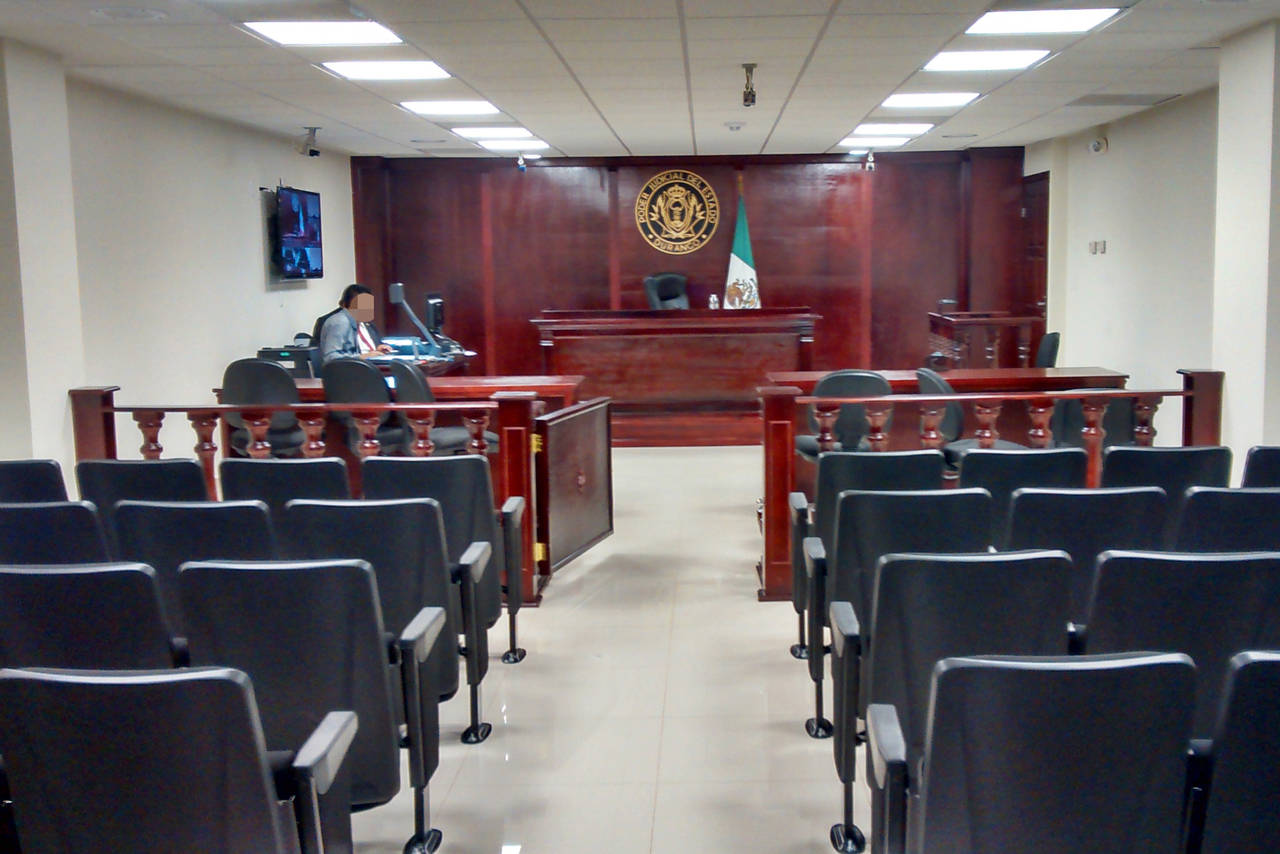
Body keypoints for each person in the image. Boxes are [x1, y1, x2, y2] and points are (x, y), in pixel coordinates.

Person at [318, 284, 393, 364]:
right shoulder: (340, 322)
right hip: (349, 369)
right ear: (345, 305)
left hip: (365, 366)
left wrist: (376, 350)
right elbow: (331, 357)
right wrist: (362, 357)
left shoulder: (363, 323)